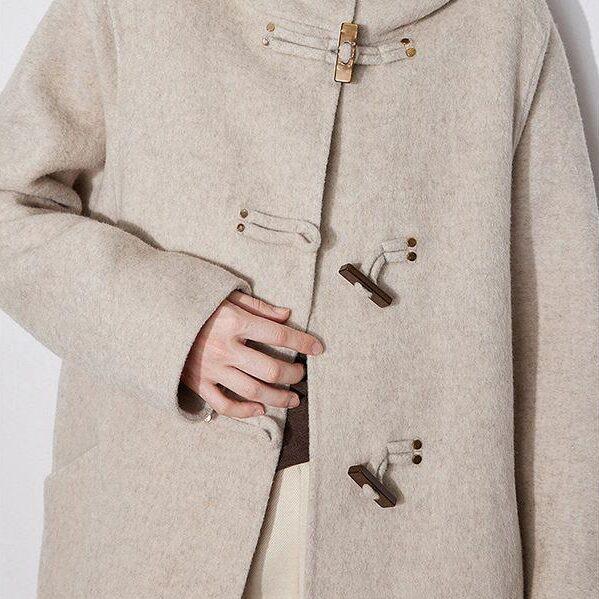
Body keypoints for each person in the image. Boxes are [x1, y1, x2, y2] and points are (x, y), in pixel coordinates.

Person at [0, 0, 597, 597]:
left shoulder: (503, 23)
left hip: (428, 547)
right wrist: (170, 326)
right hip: (163, 515)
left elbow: (566, 346)